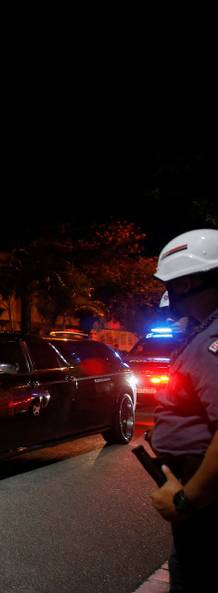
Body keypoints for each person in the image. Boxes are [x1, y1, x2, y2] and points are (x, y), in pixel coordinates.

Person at [148, 229, 218, 592]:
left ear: (188, 281)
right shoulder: (205, 332)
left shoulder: (212, 339)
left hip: (206, 511)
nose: (170, 295)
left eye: (172, 284)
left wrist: (187, 500)